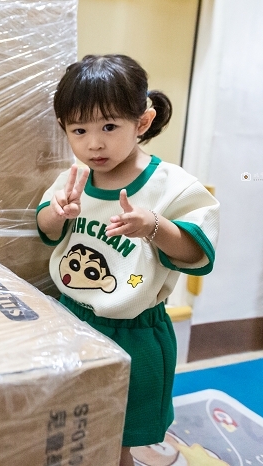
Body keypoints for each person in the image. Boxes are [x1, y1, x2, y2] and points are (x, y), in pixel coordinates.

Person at [36, 54, 220, 466]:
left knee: (117, 439)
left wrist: (154, 226)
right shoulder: (75, 179)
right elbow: (46, 230)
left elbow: (197, 252)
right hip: (70, 320)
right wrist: (58, 212)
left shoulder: (171, 185)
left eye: (109, 127)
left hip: (133, 332)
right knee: (76, 428)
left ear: (142, 122)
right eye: (78, 130)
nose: (94, 143)